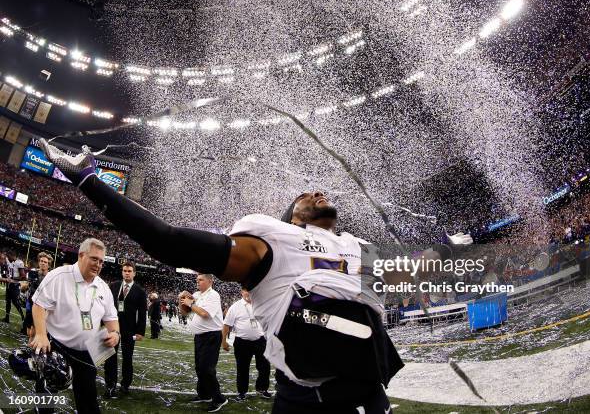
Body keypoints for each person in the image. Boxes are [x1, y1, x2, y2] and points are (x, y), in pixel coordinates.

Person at [39, 139, 474, 413]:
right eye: (305, 196)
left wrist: (448, 249)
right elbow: (168, 241)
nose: (318, 193)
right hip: (307, 397)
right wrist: (89, 180)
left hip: (369, 391)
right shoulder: (273, 240)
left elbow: (406, 274)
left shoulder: (355, 248)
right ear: (291, 217)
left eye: (321, 193)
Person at [30, 238, 120, 414]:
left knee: (88, 399)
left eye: (101, 261)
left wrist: (115, 333)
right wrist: (40, 334)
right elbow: (39, 305)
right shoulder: (59, 276)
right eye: (94, 259)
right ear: (81, 255)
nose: (98, 264)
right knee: (46, 398)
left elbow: (111, 317)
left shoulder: (103, 287)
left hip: (88, 352)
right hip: (56, 347)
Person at [180, 274, 227, 412]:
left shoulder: (213, 295)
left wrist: (191, 303)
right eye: (197, 280)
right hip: (200, 336)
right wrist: (181, 299)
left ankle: (219, 399)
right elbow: (184, 313)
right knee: (199, 368)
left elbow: (205, 314)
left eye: (201, 280)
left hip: (211, 336)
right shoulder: (196, 295)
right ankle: (204, 394)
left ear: (210, 281)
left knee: (207, 369)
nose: (197, 282)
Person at [103, 261, 147, 398]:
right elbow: (106, 306)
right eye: (124, 270)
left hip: (130, 330)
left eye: (129, 271)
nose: (126, 273)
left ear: (134, 273)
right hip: (112, 327)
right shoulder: (114, 286)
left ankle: (125, 385)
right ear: (122, 272)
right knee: (110, 357)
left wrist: (140, 331)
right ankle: (110, 385)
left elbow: (142, 313)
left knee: (127, 358)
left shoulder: (140, 291)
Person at [222, 287, 271, 401]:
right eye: (245, 290)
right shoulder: (235, 307)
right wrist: (223, 341)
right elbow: (226, 325)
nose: (248, 293)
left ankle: (262, 389)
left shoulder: (261, 304)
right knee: (242, 368)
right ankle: (242, 392)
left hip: (260, 340)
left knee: (264, 367)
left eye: (250, 290)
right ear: (242, 292)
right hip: (242, 342)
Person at [23, 252, 53, 337]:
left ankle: (33, 348)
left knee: (35, 330)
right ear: (39, 262)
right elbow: (28, 285)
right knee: (29, 332)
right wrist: (24, 287)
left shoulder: (51, 276)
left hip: (43, 305)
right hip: (31, 302)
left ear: (49, 265)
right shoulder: (32, 273)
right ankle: (30, 346)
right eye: (41, 261)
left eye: (45, 262)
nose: (42, 263)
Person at [1, 250, 26, 324]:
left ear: (12, 256)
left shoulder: (19, 263)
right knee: (8, 302)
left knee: (15, 302)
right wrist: (6, 276)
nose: (7, 258)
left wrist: (12, 278)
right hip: (9, 284)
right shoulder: (9, 261)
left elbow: (23, 277)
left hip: (15, 285)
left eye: (9, 257)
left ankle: (23, 318)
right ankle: (7, 318)